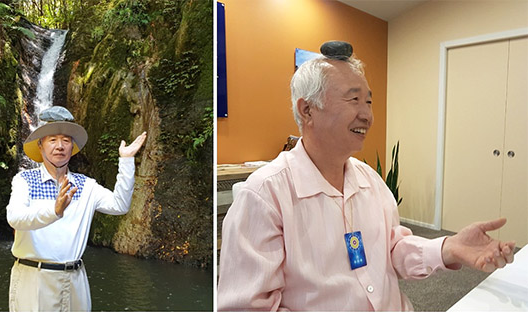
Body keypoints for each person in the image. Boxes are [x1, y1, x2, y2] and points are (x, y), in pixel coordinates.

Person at [217, 41, 516, 311]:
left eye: (369, 101)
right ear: (307, 110)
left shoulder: (369, 180)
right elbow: (248, 306)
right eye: (354, 100)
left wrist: (448, 247)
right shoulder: (264, 196)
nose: (368, 115)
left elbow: (392, 248)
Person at [6, 106, 147, 311]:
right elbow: (15, 218)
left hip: (75, 279)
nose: (60, 146)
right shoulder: (24, 181)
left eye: (66, 140)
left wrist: (126, 161)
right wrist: (54, 210)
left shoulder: (85, 185)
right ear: (41, 145)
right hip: (34, 279)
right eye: (52, 140)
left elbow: (120, 205)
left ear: (72, 147)